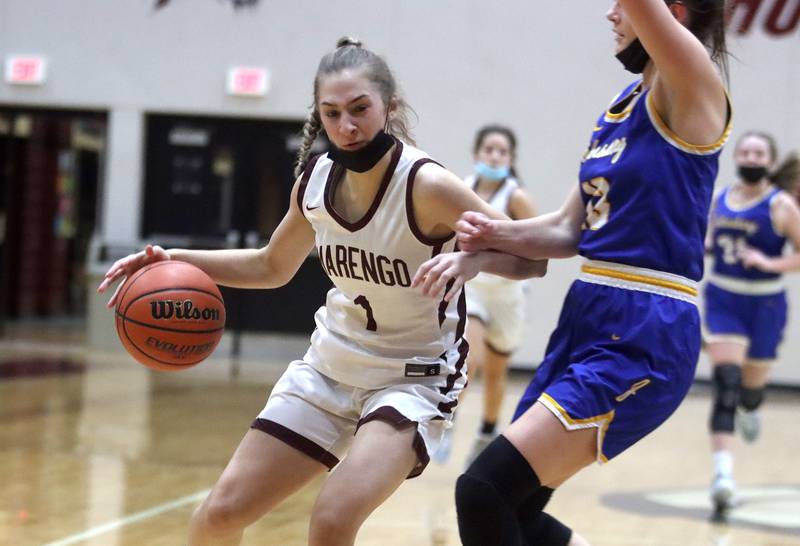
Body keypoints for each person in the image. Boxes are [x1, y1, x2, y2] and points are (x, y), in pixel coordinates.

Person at [98, 38, 545, 546]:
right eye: (331, 114)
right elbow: (271, 265)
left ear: (389, 108)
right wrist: (172, 260)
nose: (346, 127)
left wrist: (473, 258)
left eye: (359, 110)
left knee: (331, 521)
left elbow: (533, 256)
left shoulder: (427, 185)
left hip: (413, 378)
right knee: (217, 515)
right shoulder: (315, 181)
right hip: (330, 368)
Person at [414, 1, 731, 544]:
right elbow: (569, 229)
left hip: (645, 324)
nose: (612, 15)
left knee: (483, 489)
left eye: (623, 7)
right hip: (588, 313)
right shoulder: (621, 106)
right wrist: (485, 241)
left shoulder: (693, 80)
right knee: (515, 508)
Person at [704, 131, 800, 520]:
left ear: (769, 160)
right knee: (726, 382)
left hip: (765, 303)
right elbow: (706, 241)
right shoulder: (718, 200)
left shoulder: (781, 206)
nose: (751, 156)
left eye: (759, 152)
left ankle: (751, 405)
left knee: (748, 391)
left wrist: (768, 262)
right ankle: (723, 477)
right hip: (723, 297)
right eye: (745, 150)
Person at [434, 125, 537, 467]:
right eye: (489, 149)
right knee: (468, 358)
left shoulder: (516, 197)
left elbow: (539, 244)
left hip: (508, 295)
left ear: (510, 160)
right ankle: (447, 422)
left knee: (496, 374)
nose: (494, 156)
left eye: (502, 151)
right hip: (473, 288)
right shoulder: (462, 189)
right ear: (477, 154)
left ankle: (487, 433)